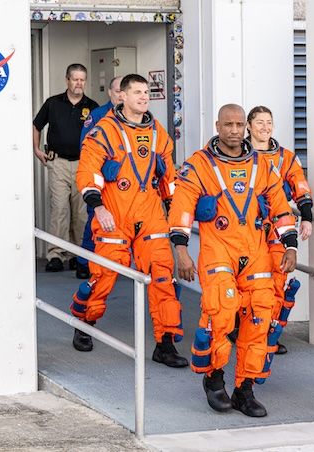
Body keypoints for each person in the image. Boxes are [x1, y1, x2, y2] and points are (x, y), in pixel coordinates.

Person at [169, 104, 298, 417]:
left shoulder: (261, 165)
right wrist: (181, 250)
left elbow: (280, 206)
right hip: (218, 250)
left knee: (259, 317)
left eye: (240, 125)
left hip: (255, 253)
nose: (235, 131)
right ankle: (214, 378)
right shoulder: (199, 165)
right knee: (222, 313)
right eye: (228, 125)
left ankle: (245, 389)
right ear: (217, 126)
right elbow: (181, 208)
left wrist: (290, 245)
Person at [71, 74, 188, 368]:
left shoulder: (158, 133)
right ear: (122, 96)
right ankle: (84, 323)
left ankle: (165, 343)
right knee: (104, 275)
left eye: (146, 92)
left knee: (163, 277)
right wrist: (98, 207)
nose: (144, 97)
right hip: (115, 215)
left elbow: (169, 178)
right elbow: (87, 171)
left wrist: (174, 209)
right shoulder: (104, 131)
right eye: (137, 92)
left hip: (150, 216)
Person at [247, 105, 313, 355]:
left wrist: (306, 218)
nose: (265, 127)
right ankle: (244, 328)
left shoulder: (285, 158)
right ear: (249, 126)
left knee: (277, 279)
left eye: (269, 122)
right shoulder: (239, 156)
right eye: (259, 122)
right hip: (246, 227)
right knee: (247, 282)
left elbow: (301, 188)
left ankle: (268, 333)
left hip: (278, 226)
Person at [33, 63, 99, 273]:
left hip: (83, 164)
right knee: (60, 209)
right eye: (75, 79)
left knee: (81, 212)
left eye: (82, 79)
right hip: (58, 163)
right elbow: (36, 125)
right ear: (67, 80)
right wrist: (36, 149)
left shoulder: (93, 106)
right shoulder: (53, 103)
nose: (79, 83)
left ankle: (79, 256)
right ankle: (56, 254)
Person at [75, 76, 124, 279]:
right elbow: (86, 149)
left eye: (124, 91)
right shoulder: (98, 115)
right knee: (94, 221)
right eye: (118, 91)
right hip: (102, 181)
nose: (121, 95)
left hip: (125, 185)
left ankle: (117, 264)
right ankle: (84, 262)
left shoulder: (138, 117)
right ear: (110, 92)